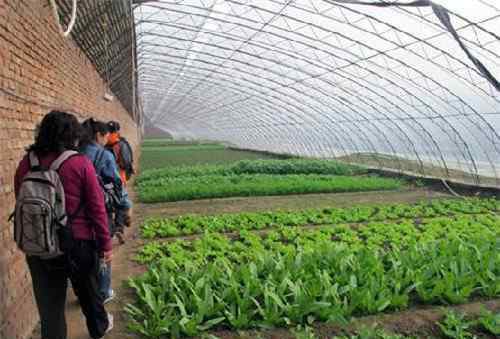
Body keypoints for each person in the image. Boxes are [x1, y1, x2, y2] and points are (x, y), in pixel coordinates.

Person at [14, 111, 113, 339]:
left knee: (50, 310)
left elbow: (21, 201)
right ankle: (98, 331)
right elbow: (97, 209)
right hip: (78, 244)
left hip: (39, 245)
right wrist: (105, 245)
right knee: (90, 298)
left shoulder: (26, 164)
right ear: (72, 135)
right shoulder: (79, 163)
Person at [80, 118, 125, 303]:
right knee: (103, 251)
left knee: (84, 254)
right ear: (98, 135)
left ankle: (86, 292)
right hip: (100, 211)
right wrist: (125, 207)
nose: (106, 138)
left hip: (76, 214)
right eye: (104, 135)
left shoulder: (73, 154)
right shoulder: (103, 155)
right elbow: (116, 185)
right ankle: (104, 291)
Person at [106, 121, 133, 242]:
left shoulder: (104, 144)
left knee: (111, 202)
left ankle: (115, 227)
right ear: (118, 131)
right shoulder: (121, 144)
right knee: (122, 203)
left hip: (106, 179)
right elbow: (126, 162)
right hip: (119, 177)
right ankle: (119, 227)